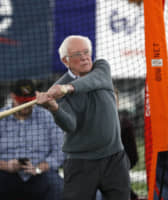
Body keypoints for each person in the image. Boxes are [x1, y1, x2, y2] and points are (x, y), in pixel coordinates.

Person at [36, 35, 131, 200]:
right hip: (80, 162)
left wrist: (68, 88)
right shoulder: (57, 91)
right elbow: (70, 125)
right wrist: (54, 108)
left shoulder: (101, 68)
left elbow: (93, 81)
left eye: (86, 52)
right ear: (66, 61)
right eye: (77, 54)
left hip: (114, 158)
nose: (85, 57)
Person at [0, 79, 64, 200]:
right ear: (13, 97)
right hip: (5, 173)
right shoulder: (2, 116)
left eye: (29, 102)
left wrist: (40, 167)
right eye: (21, 102)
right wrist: (6, 166)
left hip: (40, 174)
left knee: (58, 186)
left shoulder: (46, 117)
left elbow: (60, 151)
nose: (26, 107)